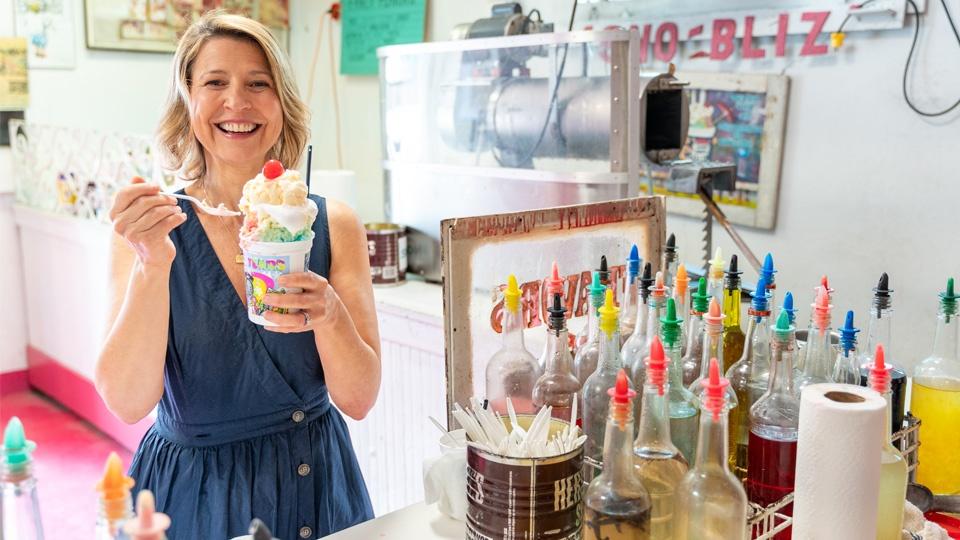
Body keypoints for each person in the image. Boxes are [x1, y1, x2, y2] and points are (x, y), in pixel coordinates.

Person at [95, 11, 379, 539]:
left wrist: (330, 315)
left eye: (258, 84)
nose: (237, 103)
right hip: (197, 495)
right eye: (215, 83)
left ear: (281, 102)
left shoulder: (333, 223)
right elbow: (128, 402)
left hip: (314, 483)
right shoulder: (151, 229)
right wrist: (153, 266)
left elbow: (359, 400)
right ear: (187, 98)